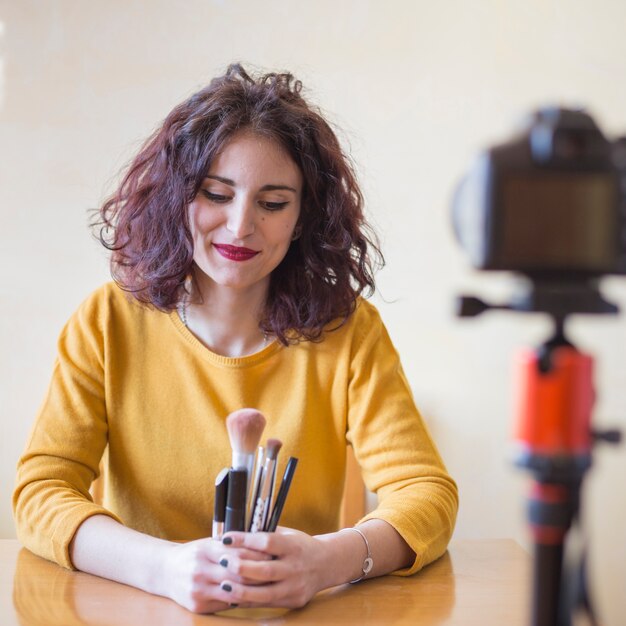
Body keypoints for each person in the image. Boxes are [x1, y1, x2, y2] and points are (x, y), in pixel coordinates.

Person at [13, 64, 458, 614]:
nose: (241, 226)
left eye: (272, 204)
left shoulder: (349, 329)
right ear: (177, 197)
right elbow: (40, 492)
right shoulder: (107, 321)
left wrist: (327, 561)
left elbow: (427, 494)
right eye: (216, 194)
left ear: (301, 219)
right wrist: (162, 568)